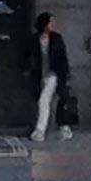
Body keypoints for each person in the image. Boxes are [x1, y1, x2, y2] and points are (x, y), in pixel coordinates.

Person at [29, 10, 74, 143]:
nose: (53, 24)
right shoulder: (35, 39)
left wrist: (65, 75)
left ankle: (40, 130)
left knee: (44, 100)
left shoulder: (56, 39)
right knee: (55, 100)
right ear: (44, 24)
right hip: (40, 75)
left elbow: (62, 58)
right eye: (51, 22)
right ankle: (64, 128)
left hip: (54, 74)